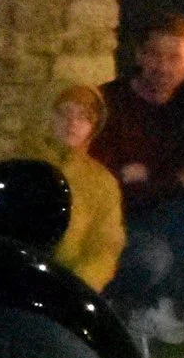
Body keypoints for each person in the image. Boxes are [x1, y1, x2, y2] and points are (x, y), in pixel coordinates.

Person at [94, 14, 184, 343]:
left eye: (175, 57)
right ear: (139, 55)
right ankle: (152, 312)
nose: (163, 66)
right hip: (120, 223)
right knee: (153, 258)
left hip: (168, 214)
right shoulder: (108, 105)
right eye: (155, 55)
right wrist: (179, 182)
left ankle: (171, 310)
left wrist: (151, 178)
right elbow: (112, 192)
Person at [44, 85, 125, 294]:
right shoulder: (22, 161)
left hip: (68, 282)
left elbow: (105, 247)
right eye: (64, 113)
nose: (72, 123)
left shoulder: (102, 182)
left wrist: (77, 285)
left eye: (84, 117)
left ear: (94, 126)